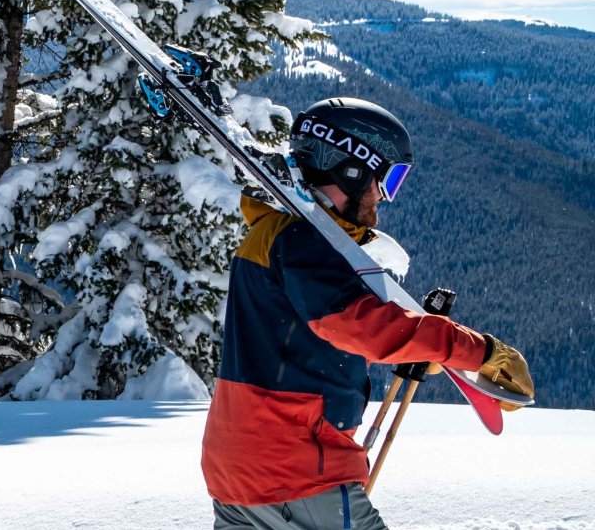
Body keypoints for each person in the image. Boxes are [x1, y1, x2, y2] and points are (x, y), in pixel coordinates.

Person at [203, 97, 535, 529]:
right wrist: (478, 350)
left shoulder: (272, 233)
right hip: (296, 470)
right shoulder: (304, 242)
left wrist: (414, 347)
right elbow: (362, 327)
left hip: (237, 470)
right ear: (351, 168)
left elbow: (300, 340)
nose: (383, 195)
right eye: (386, 179)